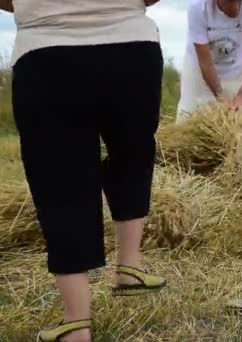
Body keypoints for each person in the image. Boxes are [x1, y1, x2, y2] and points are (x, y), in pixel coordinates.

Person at [3, 0, 167, 340]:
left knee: (60, 181)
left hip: (47, 51)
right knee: (132, 153)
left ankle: (77, 323)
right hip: (131, 47)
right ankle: (130, 265)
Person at [176, 0, 242, 123]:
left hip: (239, 70)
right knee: (188, 120)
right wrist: (222, 99)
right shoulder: (197, 7)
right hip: (199, 73)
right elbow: (205, 62)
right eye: (230, 2)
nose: (237, 8)